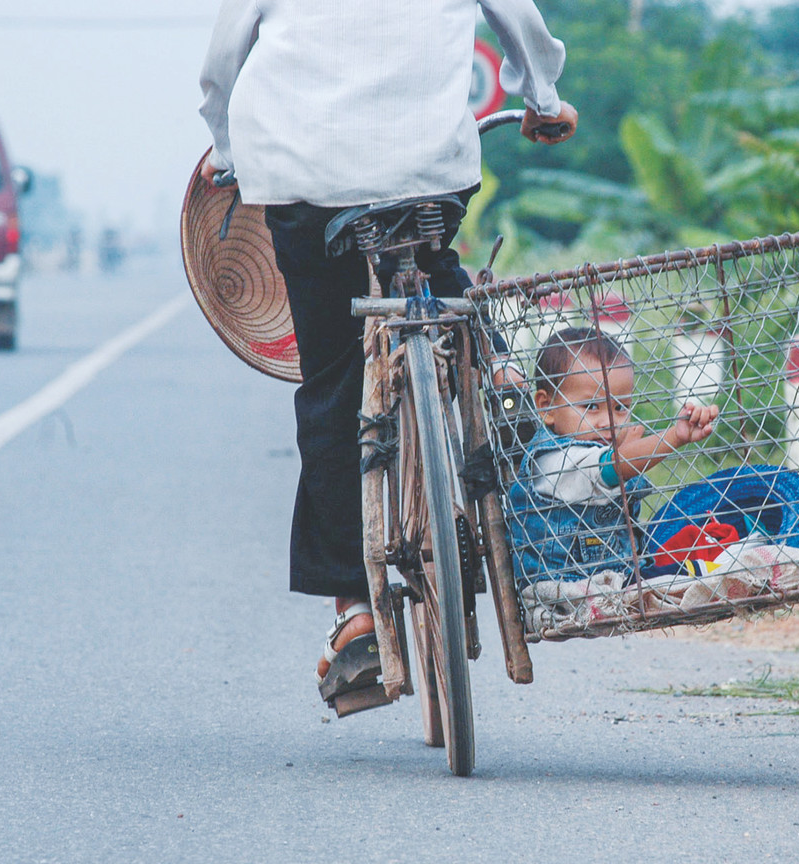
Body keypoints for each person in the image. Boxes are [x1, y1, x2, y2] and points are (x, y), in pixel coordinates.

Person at [196, 0, 579, 710]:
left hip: (305, 186)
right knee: (441, 278)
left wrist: (224, 149)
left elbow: (221, 67)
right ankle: (489, 375)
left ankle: (356, 611)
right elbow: (520, 22)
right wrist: (544, 98)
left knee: (334, 376)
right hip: (428, 172)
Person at [508, 326, 719, 587]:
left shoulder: (596, 449)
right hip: (568, 588)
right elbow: (612, 468)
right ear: (547, 407)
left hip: (617, 577)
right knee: (692, 574)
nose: (608, 421)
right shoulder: (554, 461)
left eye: (620, 408)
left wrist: (626, 446)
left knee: (689, 549)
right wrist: (675, 436)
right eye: (591, 407)